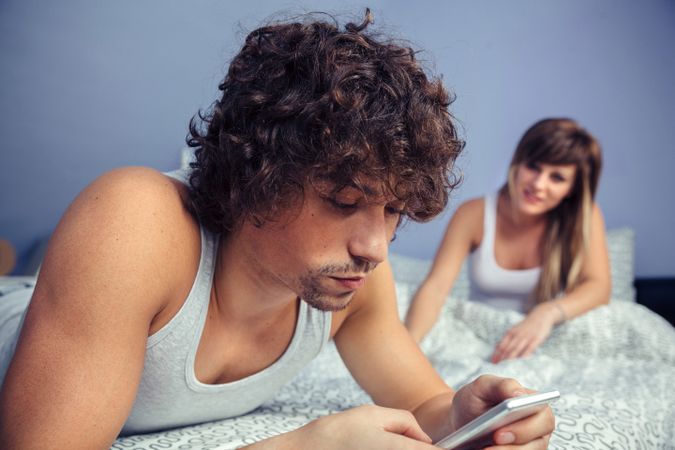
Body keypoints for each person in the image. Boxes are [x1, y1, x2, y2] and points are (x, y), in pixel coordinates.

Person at [0, 10, 554, 449]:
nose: (375, 248)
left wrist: (467, 418)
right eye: (343, 201)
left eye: (393, 212)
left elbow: (428, 406)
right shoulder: (135, 218)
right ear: (257, 178)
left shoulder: (351, 282)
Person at [405, 118, 611, 363]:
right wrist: (408, 347)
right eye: (534, 167)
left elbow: (599, 287)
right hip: (480, 344)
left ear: (572, 190)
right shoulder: (473, 214)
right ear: (517, 162)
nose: (538, 184)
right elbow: (436, 288)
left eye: (557, 177)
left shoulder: (585, 216)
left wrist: (545, 314)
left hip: (539, 342)